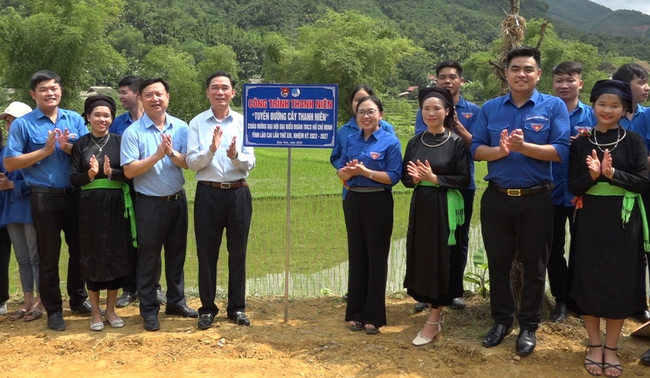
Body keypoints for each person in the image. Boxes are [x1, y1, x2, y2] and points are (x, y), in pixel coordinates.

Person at [471, 46, 570, 356]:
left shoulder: (553, 106)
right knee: (498, 262)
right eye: (516, 69)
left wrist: (523, 147)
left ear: (538, 74)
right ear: (507, 73)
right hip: (497, 198)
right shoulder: (490, 108)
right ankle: (501, 321)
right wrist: (500, 151)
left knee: (535, 264)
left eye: (528, 69)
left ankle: (528, 325)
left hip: (537, 198)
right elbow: (475, 150)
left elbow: (561, 151)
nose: (522, 74)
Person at [568, 79, 649, 377]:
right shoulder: (581, 143)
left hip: (624, 220)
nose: (607, 109)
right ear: (593, 105)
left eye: (615, 105)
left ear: (625, 108)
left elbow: (643, 182)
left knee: (620, 278)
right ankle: (593, 344)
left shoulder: (634, 142)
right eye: (602, 103)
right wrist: (591, 177)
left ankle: (611, 347)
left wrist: (612, 174)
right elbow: (572, 185)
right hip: (589, 218)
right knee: (589, 276)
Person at [4, 70, 91, 331]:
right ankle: (53, 309)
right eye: (43, 89)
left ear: (60, 91)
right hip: (43, 197)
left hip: (74, 195)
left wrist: (68, 148)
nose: (50, 93)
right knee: (48, 255)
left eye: (54, 88)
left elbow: (88, 153)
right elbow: (10, 161)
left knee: (79, 251)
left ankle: (77, 299)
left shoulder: (74, 119)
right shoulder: (23, 124)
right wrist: (44, 151)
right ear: (33, 94)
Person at [121, 77, 198, 331]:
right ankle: (149, 309)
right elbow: (130, 171)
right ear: (141, 99)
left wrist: (172, 153)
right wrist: (156, 155)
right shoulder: (133, 132)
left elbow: (187, 162)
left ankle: (176, 302)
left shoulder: (181, 127)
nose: (155, 99)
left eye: (159, 94)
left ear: (168, 97)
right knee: (149, 259)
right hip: (149, 204)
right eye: (149, 95)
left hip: (176, 201)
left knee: (176, 255)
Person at [186, 71, 255, 329]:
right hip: (208, 193)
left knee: (238, 253)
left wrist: (236, 156)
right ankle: (207, 308)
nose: (220, 92)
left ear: (233, 92)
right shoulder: (197, 123)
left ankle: (237, 308)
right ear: (207, 93)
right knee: (207, 253)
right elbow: (192, 163)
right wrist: (212, 150)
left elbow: (251, 161)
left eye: (225, 87)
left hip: (238, 192)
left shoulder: (243, 122)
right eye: (215, 87)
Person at [402, 86, 470, 346]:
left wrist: (435, 178)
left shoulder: (455, 142)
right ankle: (432, 311)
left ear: (447, 111)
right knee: (422, 256)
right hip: (421, 205)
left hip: (445, 206)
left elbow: (464, 179)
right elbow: (405, 178)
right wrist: (416, 179)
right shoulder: (414, 142)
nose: (431, 113)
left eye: (436, 108)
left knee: (443, 258)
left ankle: (434, 318)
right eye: (426, 108)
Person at [413, 60, 480, 313]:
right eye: (443, 77)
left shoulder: (473, 111)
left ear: (461, 81)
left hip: (462, 184)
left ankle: (454, 291)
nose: (447, 81)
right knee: (431, 240)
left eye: (453, 77)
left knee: (458, 240)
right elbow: (425, 142)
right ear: (437, 80)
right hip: (432, 185)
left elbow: (478, 148)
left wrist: (458, 128)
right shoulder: (429, 108)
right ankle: (428, 290)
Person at [335, 95, 402, 334]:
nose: (366, 116)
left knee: (376, 256)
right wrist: (347, 172)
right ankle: (355, 314)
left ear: (380, 115)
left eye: (371, 112)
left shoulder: (390, 141)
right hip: (354, 199)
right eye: (361, 112)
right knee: (357, 254)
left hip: (378, 201)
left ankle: (374, 316)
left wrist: (365, 171)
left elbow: (394, 177)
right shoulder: (351, 140)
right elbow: (341, 173)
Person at [70, 96, 136, 331]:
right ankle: (95, 311)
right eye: (97, 115)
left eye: (107, 115)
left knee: (116, 252)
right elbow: (73, 178)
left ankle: (110, 309)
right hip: (89, 205)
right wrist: (90, 174)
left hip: (117, 203)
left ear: (112, 118)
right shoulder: (80, 144)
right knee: (93, 253)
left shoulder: (120, 141)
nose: (102, 119)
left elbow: (130, 172)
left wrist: (112, 173)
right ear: (88, 117)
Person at [110, 75, 166, 308]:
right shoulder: (118, 124)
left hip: (152, 190)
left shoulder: (157, 121)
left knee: (153, 241)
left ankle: (155, 286)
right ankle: (129, 288)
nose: (121, 97)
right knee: (127, 239)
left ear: (137, 95)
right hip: (125, 188)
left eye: (124, 92)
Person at [547, 62, 596, 322]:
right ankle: (561, 300)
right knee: (553, 250)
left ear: (580, 83)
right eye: (559, 81)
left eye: (570, 80)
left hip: (582, 195)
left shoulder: (592, 116)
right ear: (552, 84)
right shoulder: (544, 113)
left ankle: (580, 299)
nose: (564, 85)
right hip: (550, 193)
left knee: (582, 248)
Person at [611, 64, 650, 324]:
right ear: (626, 87)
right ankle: (625, 303)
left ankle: (640, 305)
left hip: (644, 189)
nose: (646, 87)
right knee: (620, 249)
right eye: (641, 82)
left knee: (645, 248)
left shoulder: (647, 116)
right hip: (613, 192)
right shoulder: (606, 114)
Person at [0, 101, 44, 322]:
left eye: (12, 120)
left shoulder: (33, 147)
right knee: (22, 257)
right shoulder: (9, 147)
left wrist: (13, 185)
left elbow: (41, 179)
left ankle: (41, 300)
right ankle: (27, 299)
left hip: (29, 207)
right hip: (10, 209)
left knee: (36, 255)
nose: (8, 125)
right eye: (7, 121)